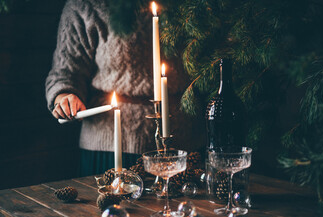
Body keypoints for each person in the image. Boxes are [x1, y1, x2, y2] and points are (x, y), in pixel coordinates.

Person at [45, 0, 205, 176]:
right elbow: (66, 71)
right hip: (109, 146)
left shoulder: (193, 5)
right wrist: (64, 96)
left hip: (184, 145)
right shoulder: (85, 5)